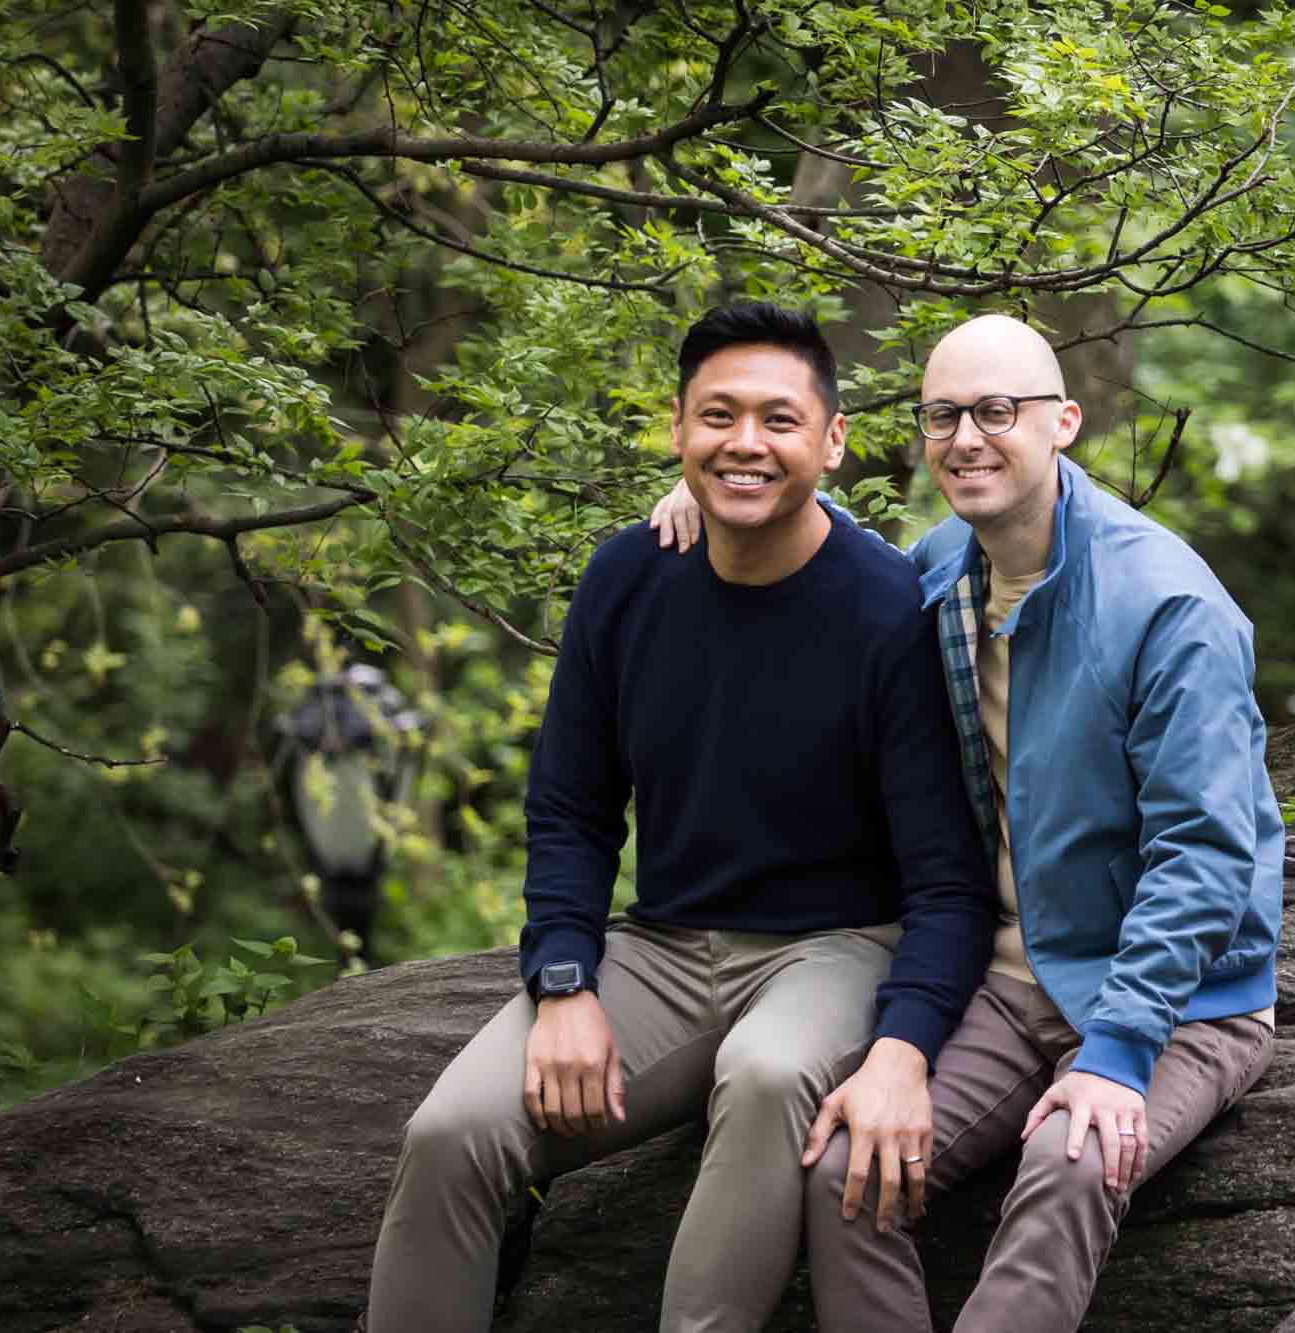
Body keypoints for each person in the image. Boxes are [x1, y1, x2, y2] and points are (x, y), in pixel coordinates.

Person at [366, 302, 995, 1332]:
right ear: (676, 430)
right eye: (718, 416)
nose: (744, 442)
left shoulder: (887, 611)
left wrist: (904, 1045)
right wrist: (564, 978)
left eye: (778, 420)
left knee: (766, 1071)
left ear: (832, 442)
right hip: (659, 950)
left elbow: (946, 879)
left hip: (832, 950)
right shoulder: (627, 577)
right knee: (450, 1133)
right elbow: (570, 807)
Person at [650, 312, 1282, 1330]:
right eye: (943, 415)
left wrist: (1118, 1054)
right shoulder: (944, 568)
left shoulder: (1167, 606)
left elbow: (1203, 854)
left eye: (997, 410)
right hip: (1008, 981)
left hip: (1177, 1002)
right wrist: (728, 489)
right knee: (853, 1167)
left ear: (1063, 421)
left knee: (1070, 1163)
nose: (966, 438)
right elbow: (840, 571)